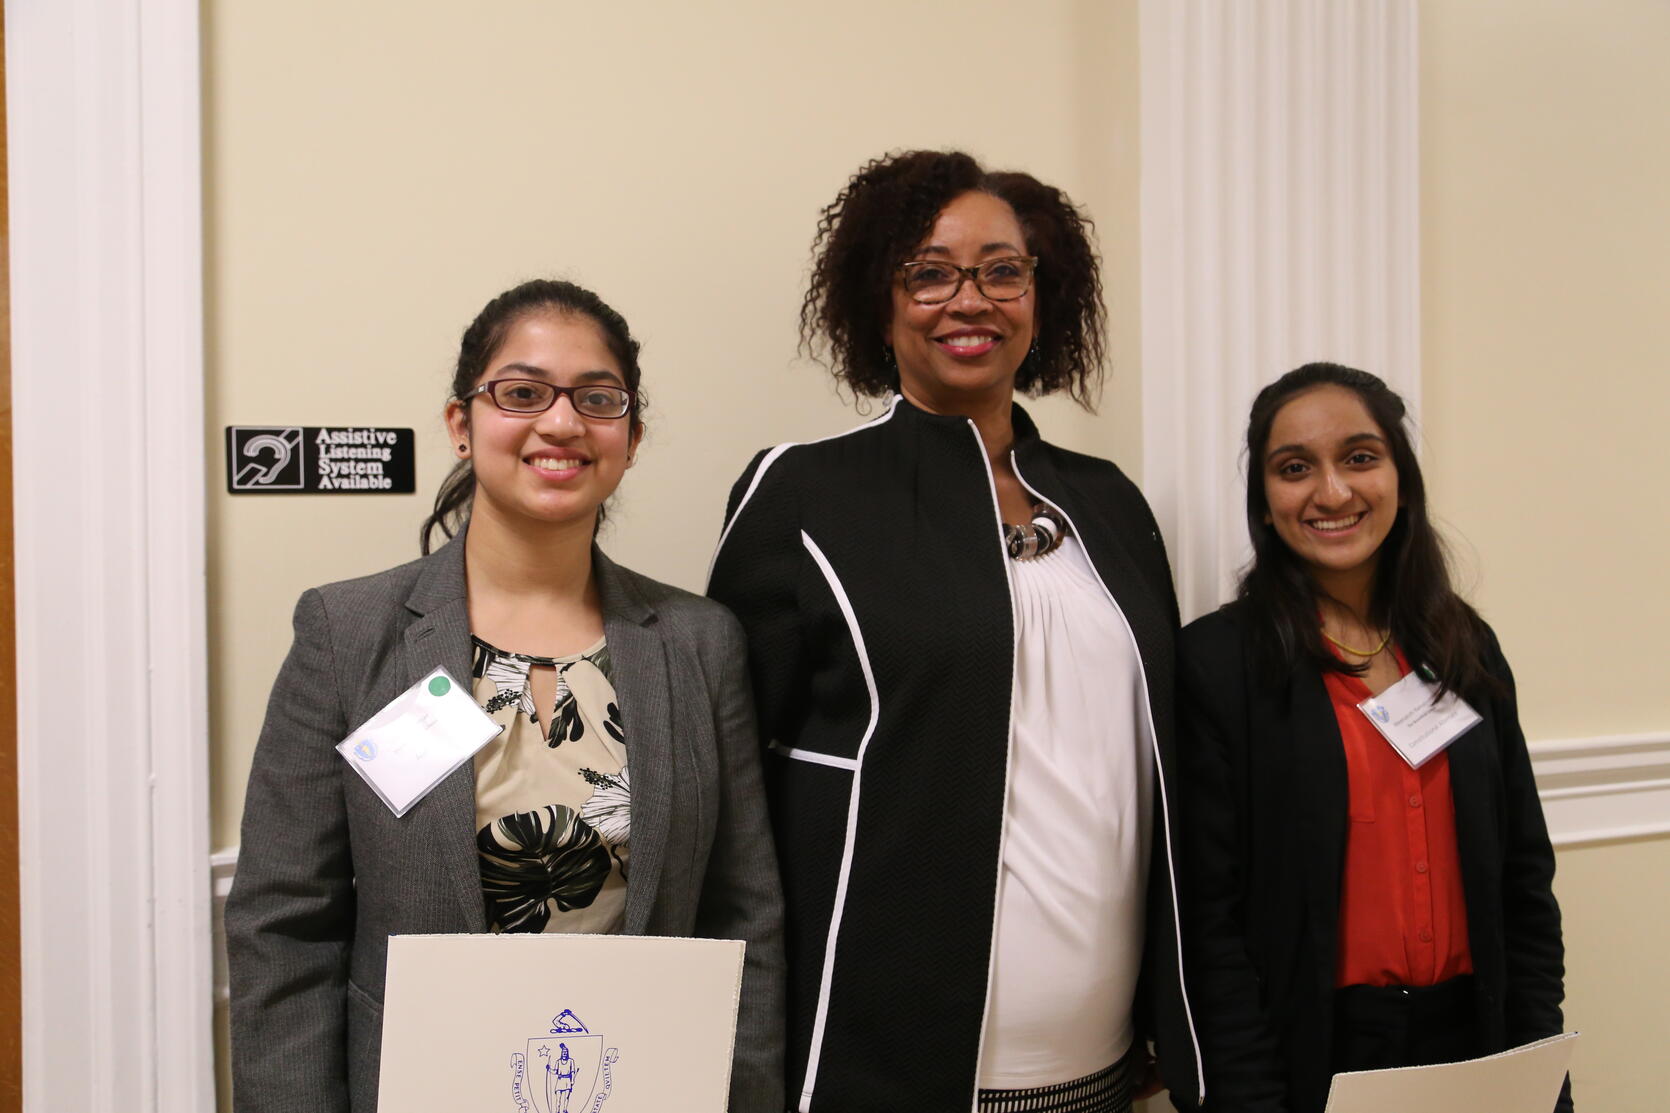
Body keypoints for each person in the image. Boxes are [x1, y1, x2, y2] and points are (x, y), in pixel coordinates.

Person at [707, 150, 1201, 1113]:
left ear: (1041, 296)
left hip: (1105, 1071)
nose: (968, 299)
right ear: (878, 304)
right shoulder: (804, 495)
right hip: (888, 1072)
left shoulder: (1110, 504)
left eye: (1002, 270)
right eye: (929, 272)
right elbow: (732, 795)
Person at [225, 278, 784, 1113]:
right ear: (462, 424)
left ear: (631, 438)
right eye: (522, 393)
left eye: (597, 399)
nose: (560, 423)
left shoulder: (701, 643)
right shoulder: (349, 634)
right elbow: (283, 924)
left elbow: (746, 915)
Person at [1177, 362, 1570, 1112]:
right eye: (1295, 468)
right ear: (1264, 499)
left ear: (1400, 475)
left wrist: (1540, 1065)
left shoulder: (1465, 646)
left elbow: (1524, 883)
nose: (1332, 492)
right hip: (1313, 1055)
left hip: (1475, 1040)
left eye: (1360, 456)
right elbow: (1211, 926)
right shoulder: (1220, 666)